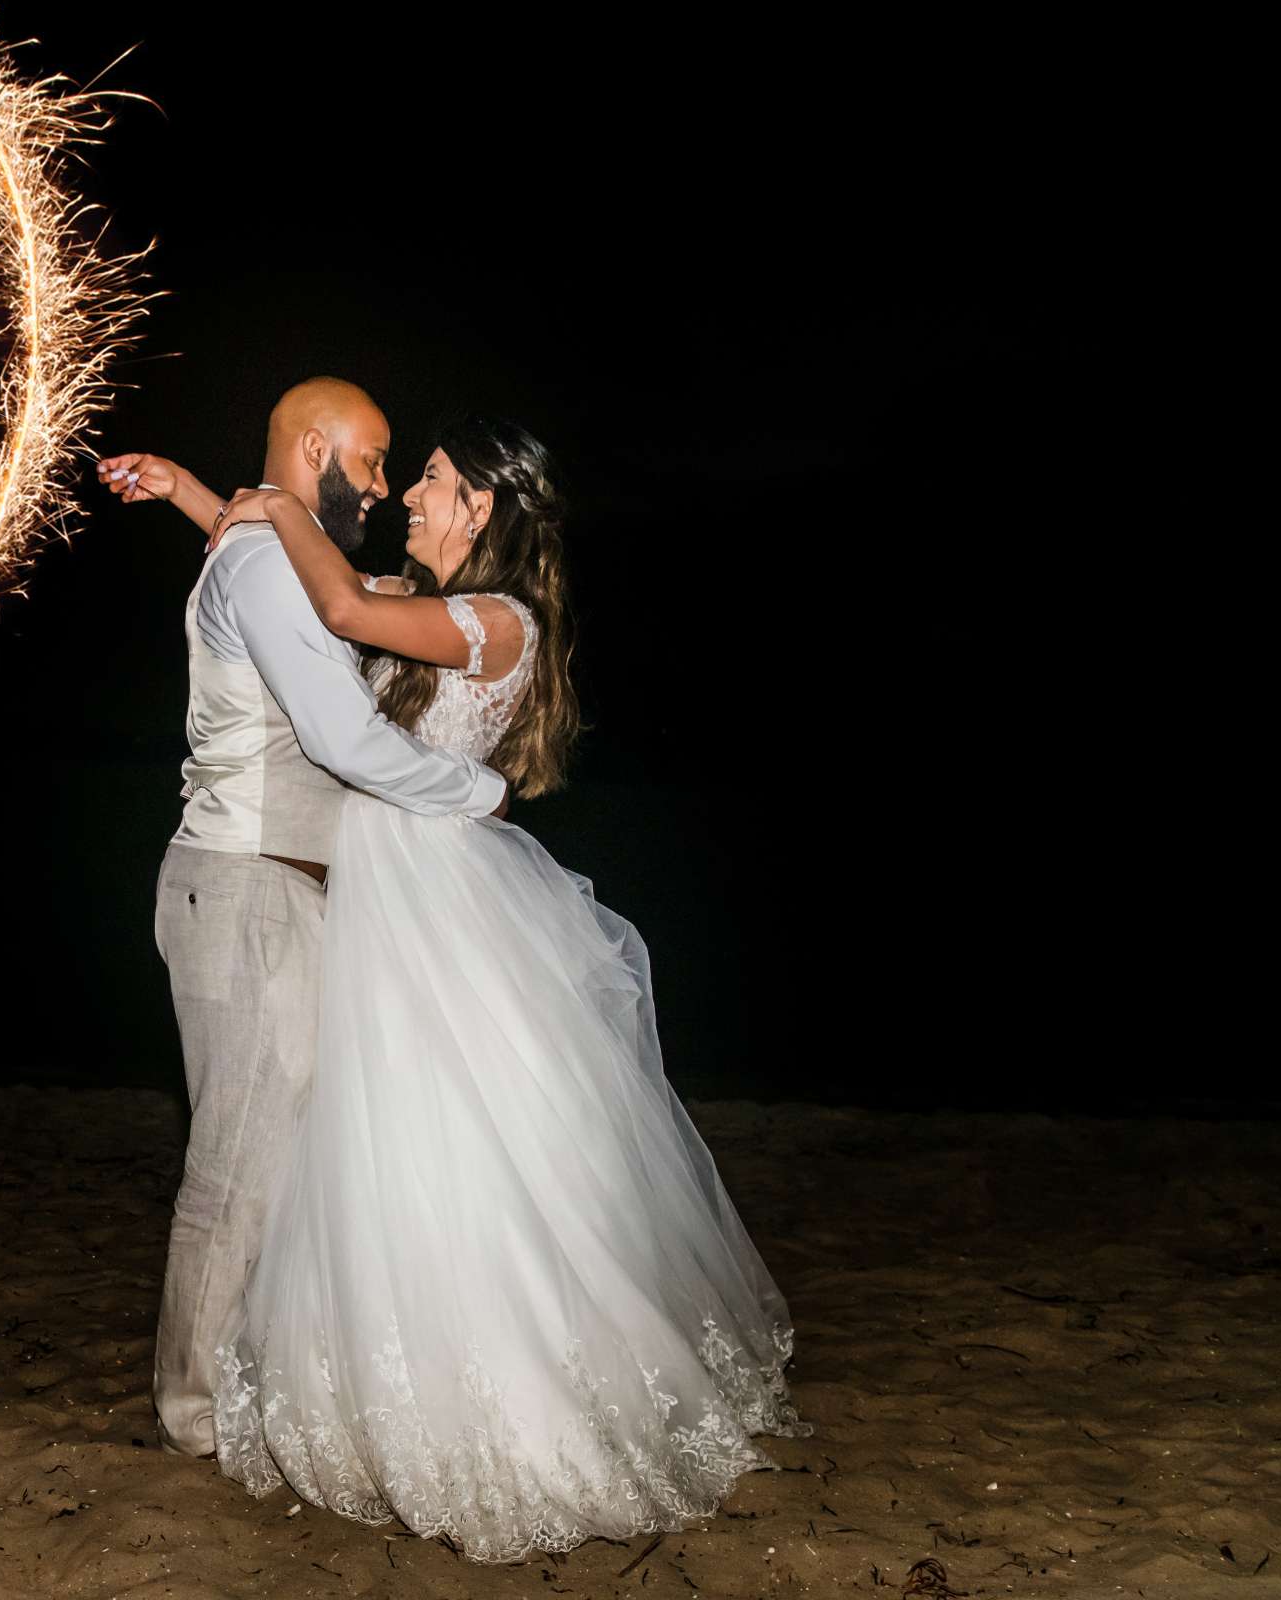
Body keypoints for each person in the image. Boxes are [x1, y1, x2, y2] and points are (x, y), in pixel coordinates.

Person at [101, 413, 811, 1562]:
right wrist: (196, 492)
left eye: (428, 479)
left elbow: (332, 607)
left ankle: (501, 1378)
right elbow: (308, 581)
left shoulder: (494, 619)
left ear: (483, 509)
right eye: (401, 471)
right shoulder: (420, 597)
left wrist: (276, 502)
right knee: (390, 1136)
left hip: (431, 884)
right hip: (384, 890)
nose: (405, 495)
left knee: (451, 1137)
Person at [96, 377, 509, 1460]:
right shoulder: (268, 564)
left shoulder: (279, 554)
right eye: (374, 463)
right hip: (246, 889)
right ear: (319, 451)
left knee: (291, 1159)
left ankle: (254, 1383)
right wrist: (485, 800)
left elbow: (340, 586)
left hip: (289, 892)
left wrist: (189, 488)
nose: (382, 488)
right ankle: (197, 1416)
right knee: (236, 1166)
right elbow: (346, 743)